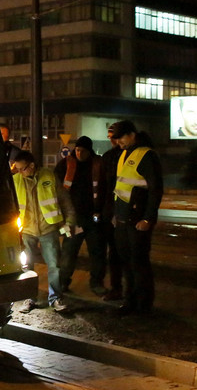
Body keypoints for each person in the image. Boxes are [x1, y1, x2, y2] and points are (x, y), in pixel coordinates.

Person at [11, 150, 76, 313]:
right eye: (17, 169)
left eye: (22, 168)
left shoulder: (49, 176)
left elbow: (64, 199)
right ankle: (29, 298)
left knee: (54, 265)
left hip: (48, 228)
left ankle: (55, 298)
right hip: (26, 230)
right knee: (27, 265)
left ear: (32, 165)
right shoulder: (16, 180)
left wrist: (70, 221)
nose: (19, 172)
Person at [110, 120, 163, 315]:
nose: (119, 142)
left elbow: (155, 190)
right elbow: (120, 188)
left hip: (138, 220)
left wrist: (148, 218)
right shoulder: (124, 154)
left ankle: (144, 305)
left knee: (139, 264)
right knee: (126, 264)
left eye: (122, 137)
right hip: (123, 219)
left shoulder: (147, 155)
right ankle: (129, 301)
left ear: (132, 135)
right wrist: (116, 215)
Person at [55, 136, 107, 296]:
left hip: (94, 218)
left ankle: (96, 283)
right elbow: (56, 187)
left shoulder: (98, 164)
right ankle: (63, 282)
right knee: (68, 252)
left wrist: (102, 211)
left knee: (97, 252)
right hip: (74, 219)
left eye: (83, 151)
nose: (79, 153)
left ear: (89, 151)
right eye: (77, 150)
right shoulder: (66, 164)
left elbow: (105, 188)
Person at [97, 123, 125, 301]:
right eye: (109, 137)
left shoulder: (129, 155)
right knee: (113, 252)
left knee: (124, 253)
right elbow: (103, 186)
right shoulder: (108, 157)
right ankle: (116, 287)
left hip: (125, 211)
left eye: (113, 136)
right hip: (110, 211)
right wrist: (100, 211)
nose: (112, 140)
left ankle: (126, 289)